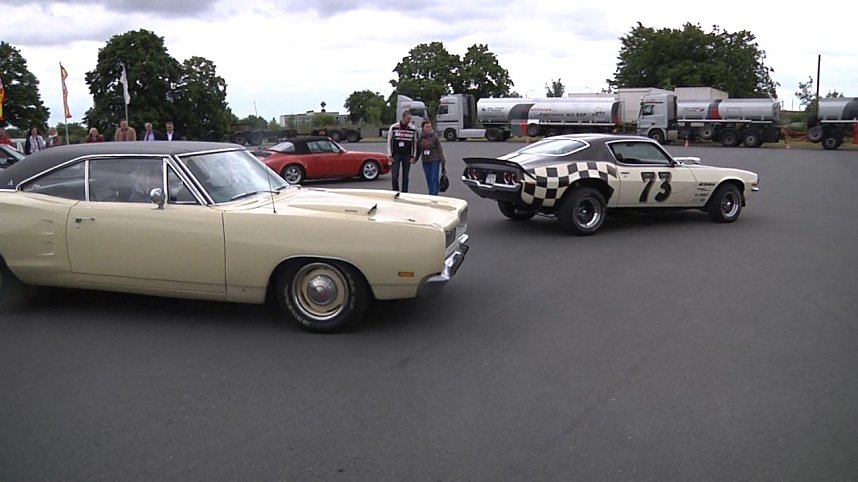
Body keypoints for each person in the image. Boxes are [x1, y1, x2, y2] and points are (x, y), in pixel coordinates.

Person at [386, 110, 417, 192]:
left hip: (407, 155)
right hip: (396, 154)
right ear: (403, 117)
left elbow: (415, 143)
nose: (409, 121)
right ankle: (395, 192)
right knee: (395, 176)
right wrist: (390, 155)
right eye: (408, 119)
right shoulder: (393, 127)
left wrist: (413, 156)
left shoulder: (413, 129)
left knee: (405, 176)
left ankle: (404, 193)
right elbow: (389, 142)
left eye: (410, 119)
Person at [416, 120, 446, 196]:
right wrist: (415, 159)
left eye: (430, 126)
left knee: (434, 177)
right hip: (425, 160)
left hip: (435, 159)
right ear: (423, 128)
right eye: (427, 127)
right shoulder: (420, 139)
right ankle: (431, 193)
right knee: (428, 178)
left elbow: (439, 148)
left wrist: (442, 160)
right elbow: (418, 150)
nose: (429, 128)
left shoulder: (434, 137)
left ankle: (434, 194)